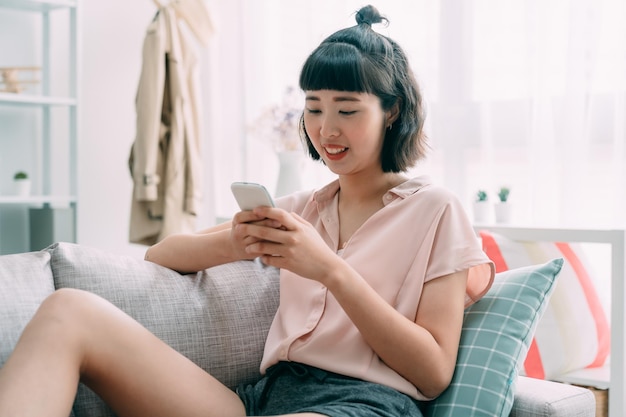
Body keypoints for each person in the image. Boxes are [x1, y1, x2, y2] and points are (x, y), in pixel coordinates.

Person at [0, 5, 494, 417]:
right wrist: (236, 241)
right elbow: (161, 256)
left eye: (347, 110)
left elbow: (432, 372)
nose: (326, 129)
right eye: (314, 107)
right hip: (265, 399)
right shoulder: (302, 209)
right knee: (70, 311)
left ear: (392, 111)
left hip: (364, 403)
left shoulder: (436, 210)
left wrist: (330, 270)